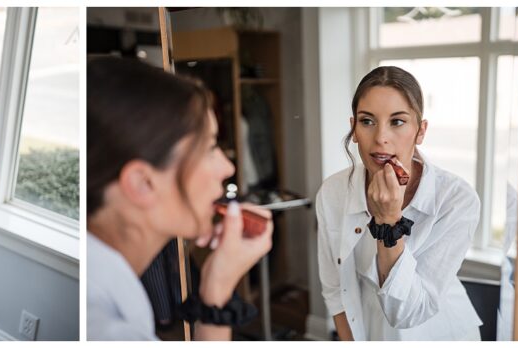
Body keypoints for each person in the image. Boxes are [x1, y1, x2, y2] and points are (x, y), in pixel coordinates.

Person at [87, 57, 274, 341]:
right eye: (210, 148)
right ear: (143, 183)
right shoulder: (108, 331)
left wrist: (217, 285)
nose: (228, 167)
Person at [315, 66, 482, 340]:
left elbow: (407, 315)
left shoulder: (457, 200)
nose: (381, 137)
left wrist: (389, 221)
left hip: (438, 332)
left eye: (397, 122)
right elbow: (335, 289)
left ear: (421, 131)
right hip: (370, 329)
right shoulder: (333, 192)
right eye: (367, 121)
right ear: (353, 129)